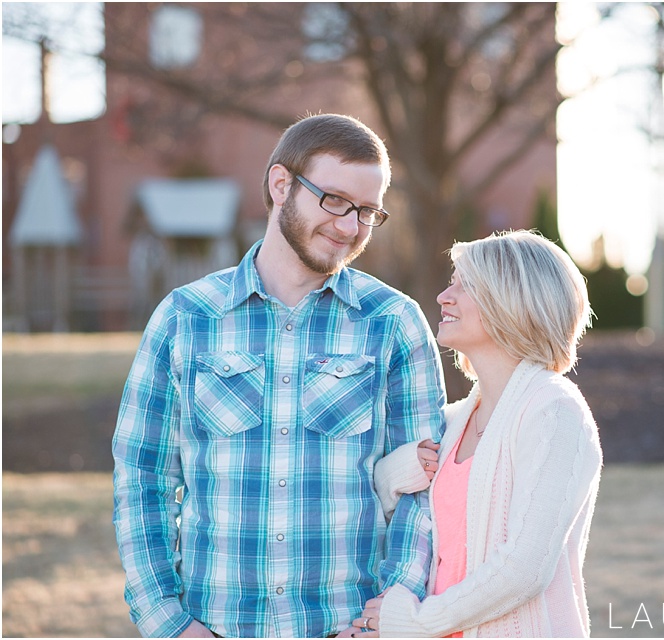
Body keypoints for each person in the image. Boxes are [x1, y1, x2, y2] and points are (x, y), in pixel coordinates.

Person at [112, 113, 446, 638]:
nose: (349, 226)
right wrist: (169, 624)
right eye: (335, 200)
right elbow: (143, 479)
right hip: (214, 627)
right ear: (281, 184)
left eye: (367, 211)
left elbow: (423, 490)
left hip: (348, 627)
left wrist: (392, 611)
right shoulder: (184, 318)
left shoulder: (395, 323)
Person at [350, 229, 604, 638]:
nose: (444, 297)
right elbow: (378, 505)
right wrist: (398, 471)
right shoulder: (454, 421)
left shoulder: (554, 412)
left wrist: (417, 622)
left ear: (512, 301)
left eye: (464, 286)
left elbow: (525, 568)